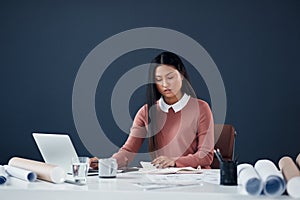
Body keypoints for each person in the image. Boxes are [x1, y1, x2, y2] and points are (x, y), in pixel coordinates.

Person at [90, 51, 214, 169]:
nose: (165, 84)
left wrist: (175, 161)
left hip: (196, 180)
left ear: (181, 75)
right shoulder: (146, 112)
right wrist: (107, 163)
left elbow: (206, 155)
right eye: (159, 80)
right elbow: (128, 151)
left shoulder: (201, 108)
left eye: (170, 77)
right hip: (163, 179)